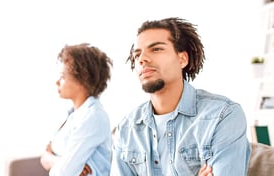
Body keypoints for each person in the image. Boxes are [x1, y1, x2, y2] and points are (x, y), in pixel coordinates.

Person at [110, 17, 251, 176]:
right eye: (137, 55)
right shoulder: (127, 129)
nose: (142, 59)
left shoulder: (223, 115)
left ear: (182, 59)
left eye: (156, 49)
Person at [40, 43, 113, 176]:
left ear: (82, 79)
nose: (57, 81)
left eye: (62, 76)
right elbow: (45, 157)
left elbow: (63, 173)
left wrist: (55, 161)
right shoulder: (72, 115)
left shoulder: (93, 117)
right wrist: (56, 161)